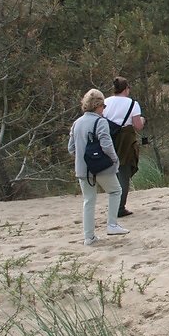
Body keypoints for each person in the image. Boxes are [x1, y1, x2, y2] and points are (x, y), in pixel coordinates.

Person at [68, 88, 130, 245]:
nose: (104, 109)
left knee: (88, 200)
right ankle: (112, 224)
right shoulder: (100, 121)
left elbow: (71, 148)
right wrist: (114, 159)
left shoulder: (77, 123)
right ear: (98, 105)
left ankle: (88, 237)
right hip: (101, 166)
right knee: (116, 191)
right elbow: (106, 145)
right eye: (103, 106)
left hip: (82, 168)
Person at [103, 76, 146, 217]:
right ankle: (119, 207)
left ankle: (113, 203)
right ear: (126, 89)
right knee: (124, 172)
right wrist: (142, 120)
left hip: (108, 138)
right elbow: (138, 126)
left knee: (112, 173)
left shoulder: (105, 102)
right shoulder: (133, 104)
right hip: (126, 141)